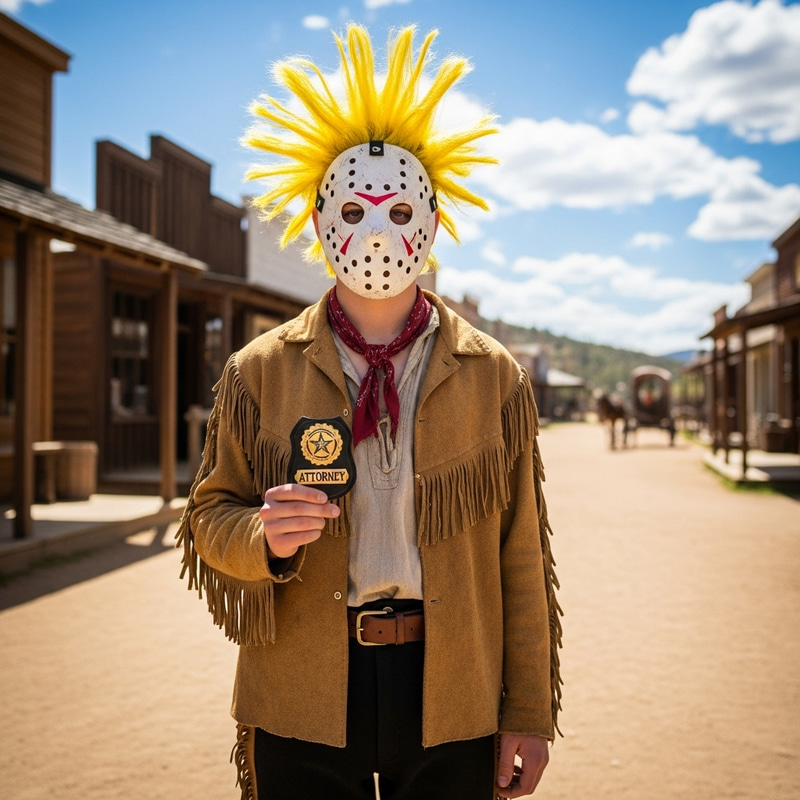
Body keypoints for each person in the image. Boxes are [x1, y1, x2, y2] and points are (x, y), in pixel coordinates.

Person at [177, 23, 562, 800]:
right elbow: (207, 519)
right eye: (353, 213)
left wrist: (527, 709)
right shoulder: (258, 372)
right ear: (319, 225)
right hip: (303, 695)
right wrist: (263, 537)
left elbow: (522, 557)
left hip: (454, 690)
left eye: (398, 211)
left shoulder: (493, 377)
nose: (377, 232)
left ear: (431, 221)